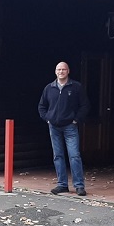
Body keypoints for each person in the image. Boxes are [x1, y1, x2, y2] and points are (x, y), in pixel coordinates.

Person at [38, 61, 91, 196]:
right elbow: (41, 106)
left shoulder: (76, 87)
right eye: (58, 69)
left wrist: (76, 119)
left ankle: (79, 186)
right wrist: (47, 118)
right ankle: (62, 185)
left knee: (74, 155)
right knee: (58, 156)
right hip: (54, 126)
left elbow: (84, 105)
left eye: (63, 69)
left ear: (68, 71)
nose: (61, 72)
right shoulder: (49, 88)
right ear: (55, 72)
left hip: (70, 126)